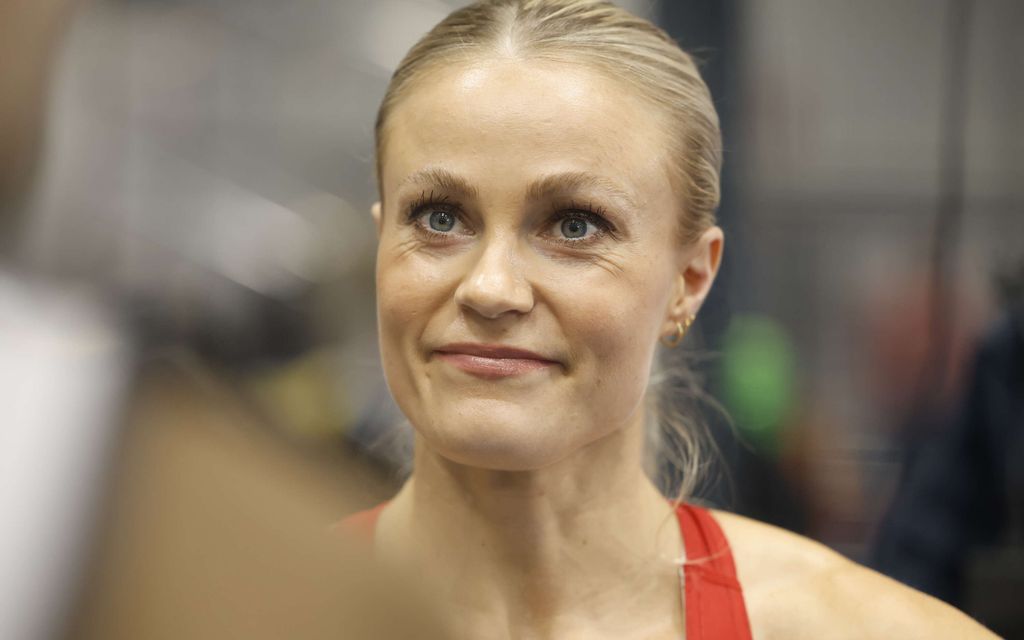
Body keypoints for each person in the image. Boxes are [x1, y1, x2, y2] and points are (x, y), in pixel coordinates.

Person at [344, 0, 996, 637]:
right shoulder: (279, 609)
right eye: (439, 218)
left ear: (689, 281)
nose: (490, 289)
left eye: (575, 226)